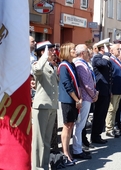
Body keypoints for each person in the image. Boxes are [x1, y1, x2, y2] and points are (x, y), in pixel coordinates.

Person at [32, 41, 59, 170]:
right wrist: (43, 56)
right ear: (43, 52)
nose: (54, 52)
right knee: (39, 141)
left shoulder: (51, 66)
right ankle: (37, 167)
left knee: (47, 141)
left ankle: (44, 166)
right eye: (50, 50)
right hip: (41, 107)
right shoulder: (38, 64)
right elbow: (37, 70)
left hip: (52, 106)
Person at [72, 44, 99, 159]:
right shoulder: (79, 64)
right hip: (85, 97)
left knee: (80, 125)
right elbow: (86, 84)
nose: (90, 55)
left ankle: (78, 148)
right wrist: (94, 94)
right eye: (88, 53)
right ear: (82, 54)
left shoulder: (82, 64)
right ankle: (77, 150)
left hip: (87, 97)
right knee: (79, 125)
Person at [58, 42, 82, 166]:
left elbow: (77, 83)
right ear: (67, 51)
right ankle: (65, 153)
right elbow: (67, 85)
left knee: (71, 125)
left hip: (74, 99)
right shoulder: (63, 66)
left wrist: (80, 98)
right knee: (67, 126)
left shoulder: (71, 64)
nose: (75, 51)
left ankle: (68, 152)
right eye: (73, 49)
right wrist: (77, 99)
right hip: (68, 100)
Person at [90, 39, 112, 144]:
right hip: (100, 91)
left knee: (102, 114)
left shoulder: (105, 58)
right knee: (98, 114)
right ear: (102, 48)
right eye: (107, 47)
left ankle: (97, 134)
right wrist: (107, 54)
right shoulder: (97, 58)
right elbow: (103, 63)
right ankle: (95, 136)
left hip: (106, 90)